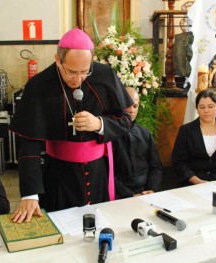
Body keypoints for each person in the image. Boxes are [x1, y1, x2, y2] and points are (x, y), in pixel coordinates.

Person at [10, 27, 133, 222]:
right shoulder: (39, 85)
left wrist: (99, 123)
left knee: (99, 222)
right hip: (59, 173)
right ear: (58, 60)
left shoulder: (104, 75)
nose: (78, 79)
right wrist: (30, 194)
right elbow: (28, 141)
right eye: (71, 72)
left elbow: (125, 120)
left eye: (85, 72)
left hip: (98, 171)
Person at [172, 89, 216, 186]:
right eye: (202, 107)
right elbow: (179, 161)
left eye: (210, 106)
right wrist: (198, 182)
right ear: (197, 109)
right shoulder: (186, 130)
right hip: (192, 184)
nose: (206, 111)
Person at [113, 87, 162, 199]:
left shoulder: (145, 134)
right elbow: (107, 174)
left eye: (135, 106)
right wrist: (131, 195)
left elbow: (156, 167)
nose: (132, 110)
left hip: (146, 193)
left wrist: (151, 189)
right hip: (120, 196)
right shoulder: (110, 136)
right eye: (128, 105)